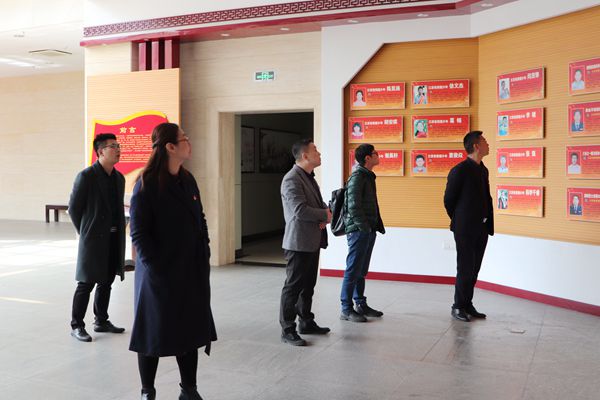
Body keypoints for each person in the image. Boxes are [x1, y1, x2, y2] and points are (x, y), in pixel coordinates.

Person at [129, 123, 216, 400]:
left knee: (189, 330)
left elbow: (200, 218)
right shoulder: (146, 184)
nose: (189, 143)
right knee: (152, 332)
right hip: (159, 274)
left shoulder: (187, 179)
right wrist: (156, 268)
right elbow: (138, 233)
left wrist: (205, 249)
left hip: (190, 269)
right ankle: (148, 391)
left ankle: (189, 389)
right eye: (184, 139)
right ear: (170, 146)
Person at [68, 133, 126, 343]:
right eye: (113, 146)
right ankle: (77, 325)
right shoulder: (86, 176)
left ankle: (101, 320)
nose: (118, 149)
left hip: (114, 238)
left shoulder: (119, 178)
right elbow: (74, 209)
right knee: (86, 282)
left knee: (107, 281)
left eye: (118, 146)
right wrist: (86, 232)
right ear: (101, 151)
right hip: (93, 239)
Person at [279, 139, 332, 346]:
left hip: (311, 240)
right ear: (305, 156)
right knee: (293, 287)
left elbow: (315, 204)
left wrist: (324, 213)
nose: (319, 153)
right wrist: (324, 215)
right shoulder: (291, 179)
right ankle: (287, 329)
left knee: (308, 285)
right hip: (298, 242)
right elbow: (299, 210)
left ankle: (306, 322)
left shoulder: (308, 177)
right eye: (315, 150)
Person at [444, 131, 494, 322]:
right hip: (465, 229)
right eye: (485, 141)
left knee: (474, 268)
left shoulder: (483, 169)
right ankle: (458, 306)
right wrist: (460, 220)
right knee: (465, 268)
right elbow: (449, 200)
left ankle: (467, 304)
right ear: (476, 146)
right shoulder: (460, 170)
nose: (488, 144)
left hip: (482, 227)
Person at [341, 143, 386, 323]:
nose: (378, 155)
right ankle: (346, 309)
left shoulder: (367, 176)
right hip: (359, 231)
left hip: (367, 229)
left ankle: (360, 304)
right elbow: (353, 206)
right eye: (376, 153)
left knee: (361, 269)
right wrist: (364, 227)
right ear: (368, 158)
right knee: (353, 269)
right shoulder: (357, 177)